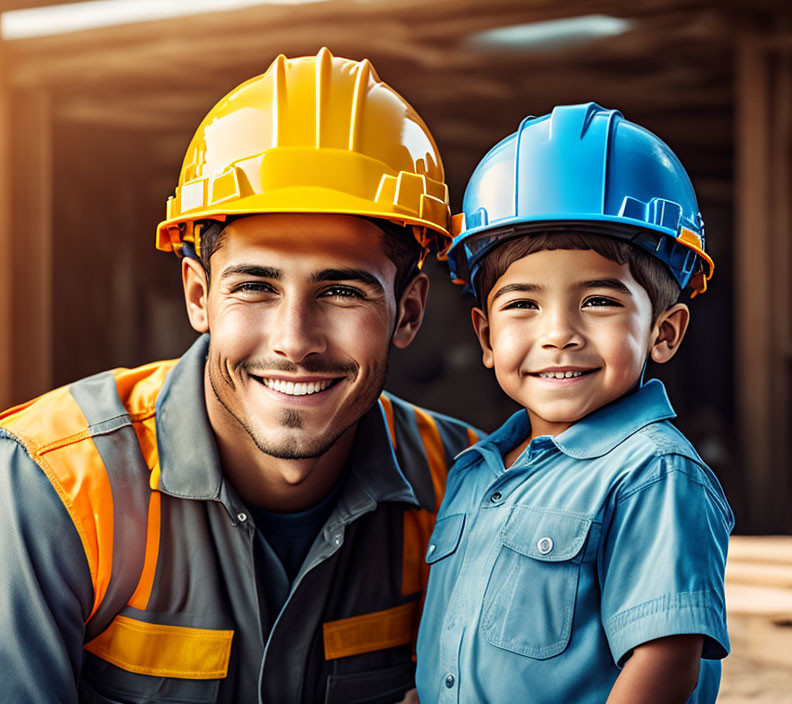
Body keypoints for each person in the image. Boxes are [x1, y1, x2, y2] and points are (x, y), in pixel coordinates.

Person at [0, 49, 478, 703]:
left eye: (341, 292)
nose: (294, 342)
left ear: (410, 312)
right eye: (255, 286)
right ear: (199, 296)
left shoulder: (470, 495)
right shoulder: (54, 486)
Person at [415, 104, 734, 703]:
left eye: (599, 302)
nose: (558, 333)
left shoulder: (654, 475)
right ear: (486, 337)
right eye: (523, 305)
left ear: (664, 332)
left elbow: (664, 664)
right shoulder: (475, 472)